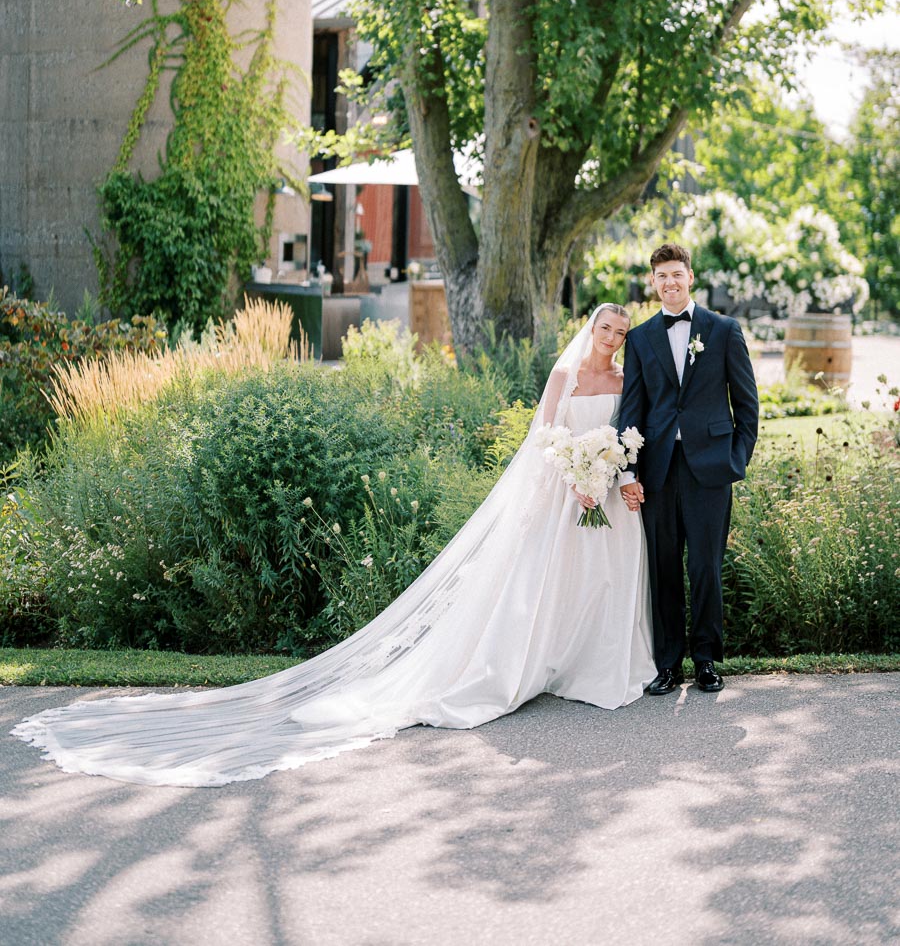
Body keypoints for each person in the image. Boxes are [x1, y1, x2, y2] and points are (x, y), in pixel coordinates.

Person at [13, 305, 655, 787]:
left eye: (622, 330)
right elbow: (543, 438)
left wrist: (608, 475)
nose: (614, 336)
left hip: (603, 500)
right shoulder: (565, 373)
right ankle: (526, 669)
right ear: (589, 328)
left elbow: (626, 433)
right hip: (562, 499)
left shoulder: (626, 377)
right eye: (607, 327)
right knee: (540, 588)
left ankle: (585, 666)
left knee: (597, 584)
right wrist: (573, 475)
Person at [618, 244, 759, 695]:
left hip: (710, 469)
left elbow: (748, 405)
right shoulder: (639, 339)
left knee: (705, 566)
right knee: (662, 568)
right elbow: (632, 409)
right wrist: (629, 471)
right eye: (661, 276)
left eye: (676, 274)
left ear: (691, 277)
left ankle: (706, 660)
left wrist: (734, 459)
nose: (670, 283)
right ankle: (667, 665)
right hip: (659, 470)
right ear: (653, 282)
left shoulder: (723, 330)